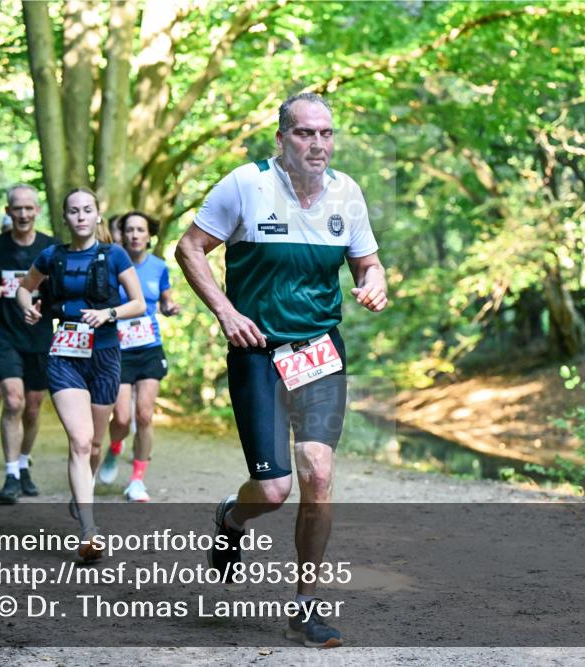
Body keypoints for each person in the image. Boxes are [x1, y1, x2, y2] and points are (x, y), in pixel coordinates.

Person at [175, 92, 387, 648]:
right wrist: (227, 312)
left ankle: (306, 607)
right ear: (281, 139)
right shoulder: (245, 184)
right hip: (258, 351)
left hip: (318, 350)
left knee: (318, 473)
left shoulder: (348, 193)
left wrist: (375, 280)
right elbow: (190, 247)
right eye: (304, 133)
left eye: (325, 133)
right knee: (273, 491)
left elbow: (366, 259)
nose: (317, 143)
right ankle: (231, 517)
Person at [17, 188, 146, 560]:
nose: (80, 217)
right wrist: (28, 308)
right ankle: (89, 530)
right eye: (73, 211)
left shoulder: (114, 255)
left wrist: (108, 314)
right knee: (79, 439)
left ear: (97, 216)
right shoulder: (52, 256)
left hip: (105, 354)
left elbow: (137, 303)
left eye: (87, 210)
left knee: (93, 445)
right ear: (65, 217)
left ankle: (82, 496)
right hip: (65, 354)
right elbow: (24, 290)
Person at [0, 185, 57, 503]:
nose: (22, 214)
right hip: (3, 333)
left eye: (28, 208)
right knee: (13, 401)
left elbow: (61, 286)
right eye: (16, 209)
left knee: (33, 407)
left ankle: (24, 464)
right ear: (8, 212)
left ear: (37, 211)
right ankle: (10, 475)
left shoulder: (50, 247)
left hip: (39, 336)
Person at [99, 211, 180, 502]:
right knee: (121, 417)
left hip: (149, 347)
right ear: (122, 234)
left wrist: (169, 306)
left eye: (140, 230)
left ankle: (136, 480)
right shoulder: (112, 264)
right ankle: (114, 448)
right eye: (129, 229)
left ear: (149, 235)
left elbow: (165, 297)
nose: (134, 235)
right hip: (118, 350)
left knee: (144, 414)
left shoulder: (158, 266)